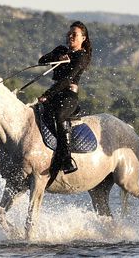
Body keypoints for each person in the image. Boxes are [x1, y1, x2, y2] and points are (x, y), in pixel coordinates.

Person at [38, 21, 92, 175]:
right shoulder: (61, 50)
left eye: (74, 34)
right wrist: (58, 57)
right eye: (69, 34)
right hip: (55, 93)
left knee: (60, 116)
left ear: (83, 38)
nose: (70, 36)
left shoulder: (82, 57)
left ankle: (66, 158)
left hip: (68, 95)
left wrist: (47, 95)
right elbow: (41, 61)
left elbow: (67, 79)